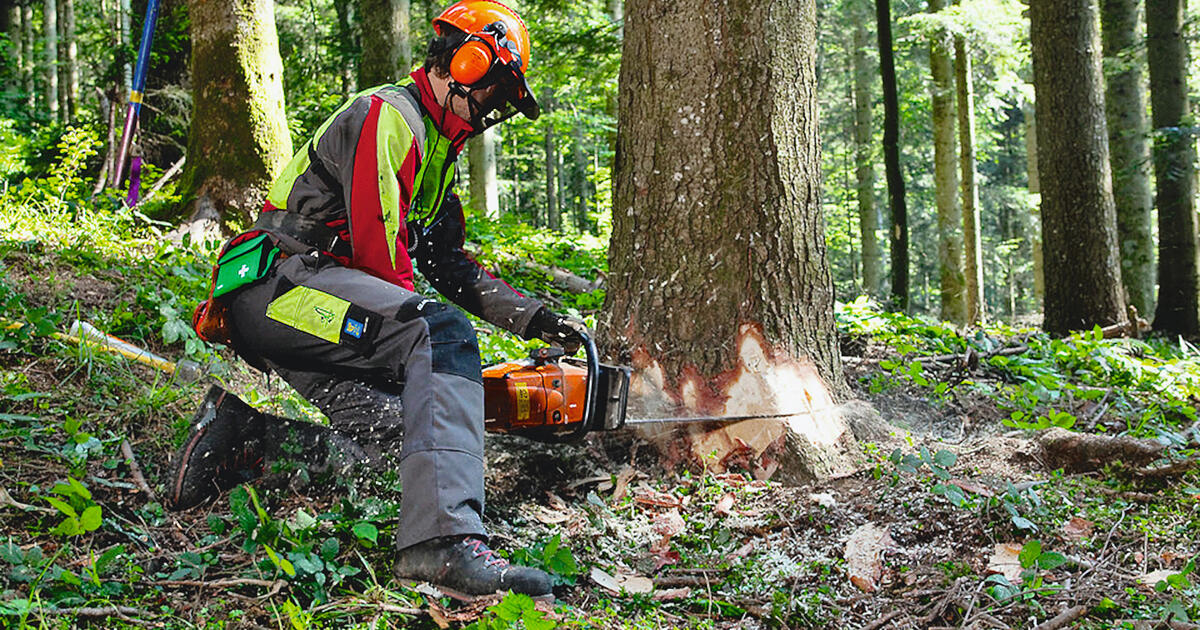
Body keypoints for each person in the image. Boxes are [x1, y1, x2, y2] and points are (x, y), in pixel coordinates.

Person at [167, 0, 585, 601]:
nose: (494, 109)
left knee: (406, 439)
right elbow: (378, 254)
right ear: (467, 62)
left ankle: (237, 440)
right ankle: (440, 547)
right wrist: (430, 350)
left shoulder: (439, 153)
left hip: (321, 306)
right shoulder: (388, 116)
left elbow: (449, 265)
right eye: (494, 91)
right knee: (437, 337)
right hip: (282, 288)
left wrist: (536, 320)